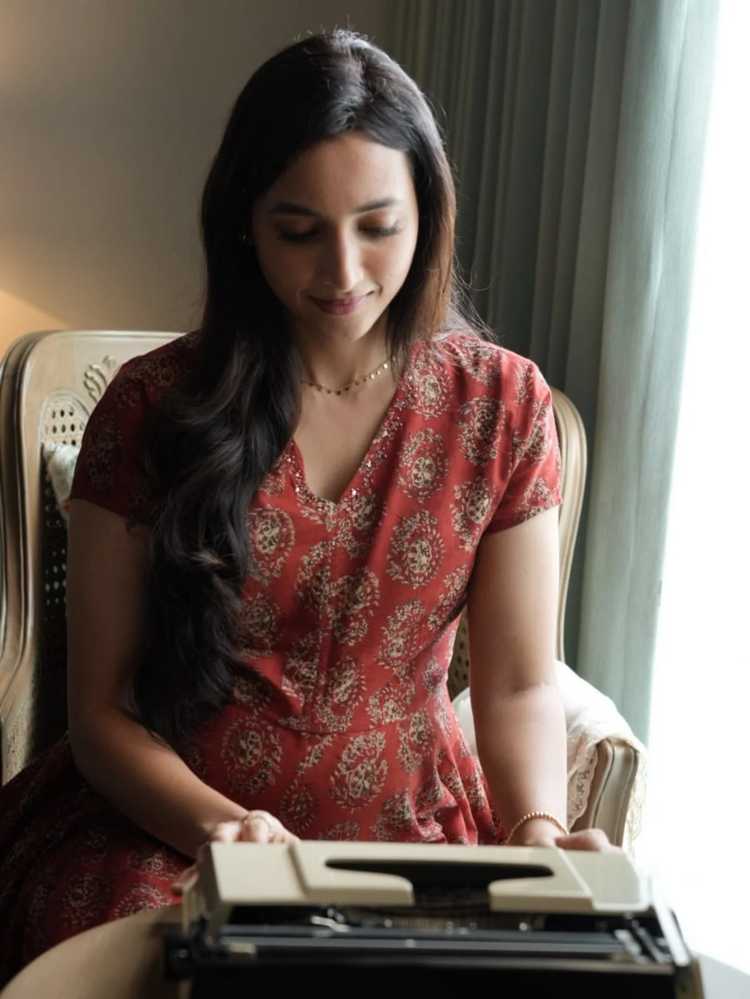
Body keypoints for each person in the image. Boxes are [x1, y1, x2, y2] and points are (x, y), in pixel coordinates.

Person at [0, 27, 611, 984]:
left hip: (404, 834)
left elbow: (519, 685)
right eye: (299, 230)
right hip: (169, 829)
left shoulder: (502, 408)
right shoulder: (153, 405)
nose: (342, 272)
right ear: (246, 223)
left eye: (378, 227)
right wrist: (223, 829)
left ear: (427, 215)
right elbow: (102, 712)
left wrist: (538, 831)